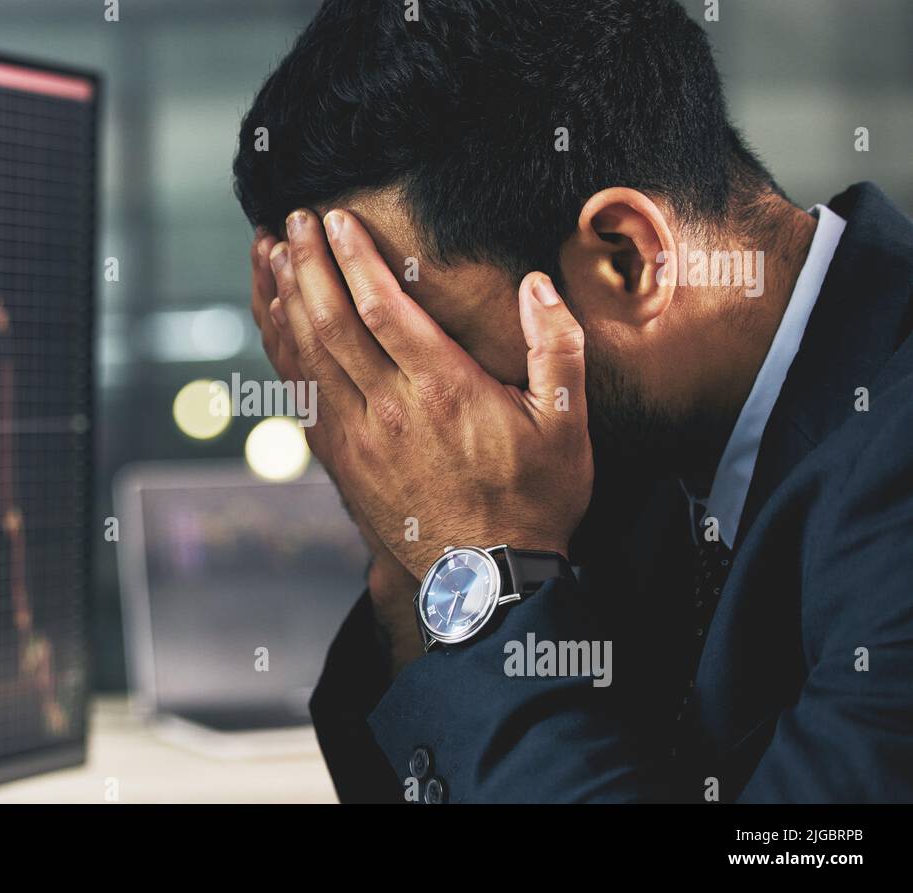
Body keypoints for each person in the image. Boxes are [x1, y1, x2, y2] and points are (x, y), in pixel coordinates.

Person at [233, 0, 913, 802]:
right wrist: (407, 542)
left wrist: (481, 568)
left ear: (625, 260)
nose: (401, 408)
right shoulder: (632, 458)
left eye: (416, 338)